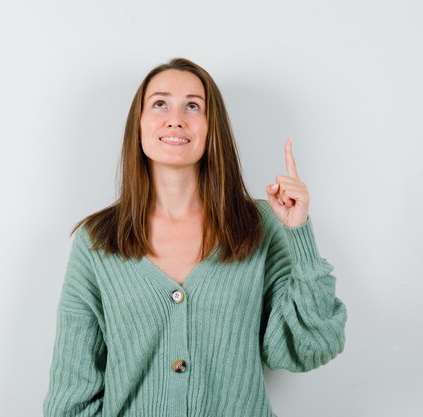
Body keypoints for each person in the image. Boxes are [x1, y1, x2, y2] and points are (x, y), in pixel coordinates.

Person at [42, 57, 348, 417]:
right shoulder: (96, 242)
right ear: (138, 126)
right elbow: (71, 397)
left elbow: (311, 345)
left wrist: (298, 232)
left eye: (192, 105)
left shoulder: (257, 225)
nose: (175, 118)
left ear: (210, 126)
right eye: (159, 103)